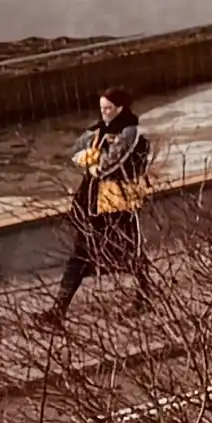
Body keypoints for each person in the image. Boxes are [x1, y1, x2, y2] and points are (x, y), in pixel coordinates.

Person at [53, 89, 153, 319]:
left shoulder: (130, 132)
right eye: (102, 109)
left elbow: (107, 165)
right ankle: (58, 310)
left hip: (117, 202)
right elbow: (77, 149)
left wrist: (92, 159)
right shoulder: (99, 130)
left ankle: (145, 295)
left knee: (125, 249)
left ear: (121, 108)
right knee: (86, 251)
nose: (105, 113)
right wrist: (89, 155)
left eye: (109, 108)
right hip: (94, 202)